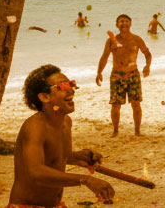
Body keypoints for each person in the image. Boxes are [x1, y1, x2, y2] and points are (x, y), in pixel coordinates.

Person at [8, 64, 115, 207]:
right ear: (45, 97)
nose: (71, 89)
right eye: (62, 86)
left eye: (71, 83)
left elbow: (57, 157)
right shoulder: (35, 127)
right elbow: (36, 172)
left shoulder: (66, 122)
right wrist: (85, 180)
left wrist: (79, 157)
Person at [96, 14, 152, 136]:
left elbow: (147, 53)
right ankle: (115, 131)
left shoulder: (136, 39)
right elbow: (104, 57)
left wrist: (147, 66)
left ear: (130, 24)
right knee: (115, 106)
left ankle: (137, 131)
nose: (124, 23)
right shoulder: (111, 41)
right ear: (117, 25)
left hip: (133, 74)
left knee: (136, 104)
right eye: (121, 21)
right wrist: (99, 72)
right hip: (117, 75)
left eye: (126, 21)